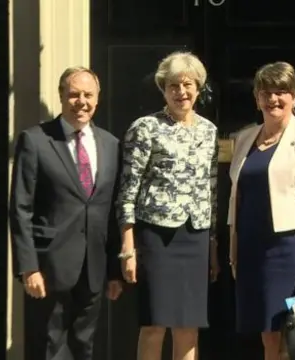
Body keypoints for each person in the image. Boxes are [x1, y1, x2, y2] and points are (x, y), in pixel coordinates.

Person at [9, 67, 124, 360]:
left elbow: (111, 210)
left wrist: (114, 270)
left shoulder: (111, 145)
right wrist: (28, 266)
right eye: (74, 94)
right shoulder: (35, 140)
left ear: (98, 99)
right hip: (49, 265)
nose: (81, 101)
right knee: (48, 345)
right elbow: (20, 207)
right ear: (61, 96)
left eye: (88, 95)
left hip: (94, 266)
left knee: (84, 346)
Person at [116, 51, 219, 360]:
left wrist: (213, 246)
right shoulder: (145, 128)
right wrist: (128, 247)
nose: (181, 92)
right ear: (163, 89)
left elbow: (211, 191)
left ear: (198, 88)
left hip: (195, 237)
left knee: (189, 326)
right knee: (154, 324)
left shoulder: (209, 131)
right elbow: (127, 190)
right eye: (173, 85)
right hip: (156, 237)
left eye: (187, 84)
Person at [227, 62, 295, 360]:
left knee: (293, 332)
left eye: (281, 91)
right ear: (257, 98)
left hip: (288, 249)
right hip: (251, 248)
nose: (273, 99)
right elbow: (237, 195)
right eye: (266, 92)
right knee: (267, 334)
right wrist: (233, 250)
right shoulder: (245, 138)